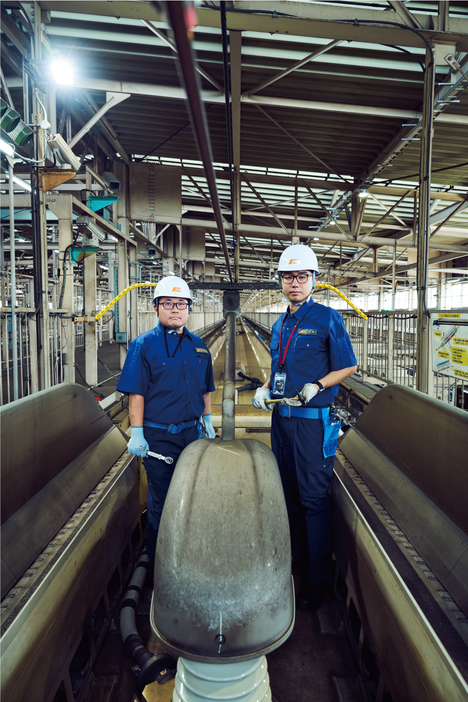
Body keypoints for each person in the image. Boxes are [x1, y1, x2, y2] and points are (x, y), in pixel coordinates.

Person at [252, 244, 357, 610]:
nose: (294, 282)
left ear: (314, 280)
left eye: (302, 276)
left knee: (313, 500)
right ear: (280, 281)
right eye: (288, 276)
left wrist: (320, 384)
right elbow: (279, 369)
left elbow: (348, 366)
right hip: (281, 422)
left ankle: (317, 578)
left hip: (311, 426)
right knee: (288, 493)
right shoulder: (280, 323)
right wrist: (266, 387)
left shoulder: (328, 319)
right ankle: (296, 559)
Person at [116, 275, 216, 564]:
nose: (175, 309)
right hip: (159, 437)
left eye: (181, 304)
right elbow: (137, 393)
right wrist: (137, 432)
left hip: (191, 435)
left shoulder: (199, 346)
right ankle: (159, 558)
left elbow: (206, 388)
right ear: (157, 307)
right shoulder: (143, 345)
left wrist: (207, 420)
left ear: (190, 309)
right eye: (168, 303)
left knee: (192, 492)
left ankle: (187, 551)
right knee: (162, 497)